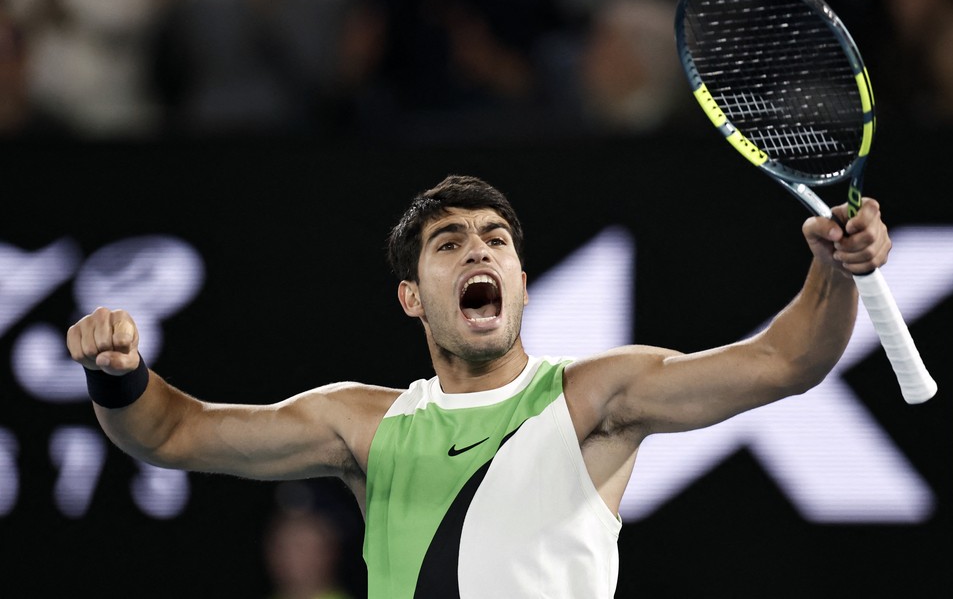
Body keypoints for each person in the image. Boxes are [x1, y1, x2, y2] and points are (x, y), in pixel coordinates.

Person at [66, 174, 892, 598]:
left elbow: (788, 360)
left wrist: (835, 269)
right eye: (450, 243)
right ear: (412, 296)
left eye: (496, 240)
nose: (479, 253)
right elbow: (170, 432)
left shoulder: (594, 398)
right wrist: (120, 375)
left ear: (522, 280)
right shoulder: (364, 425)